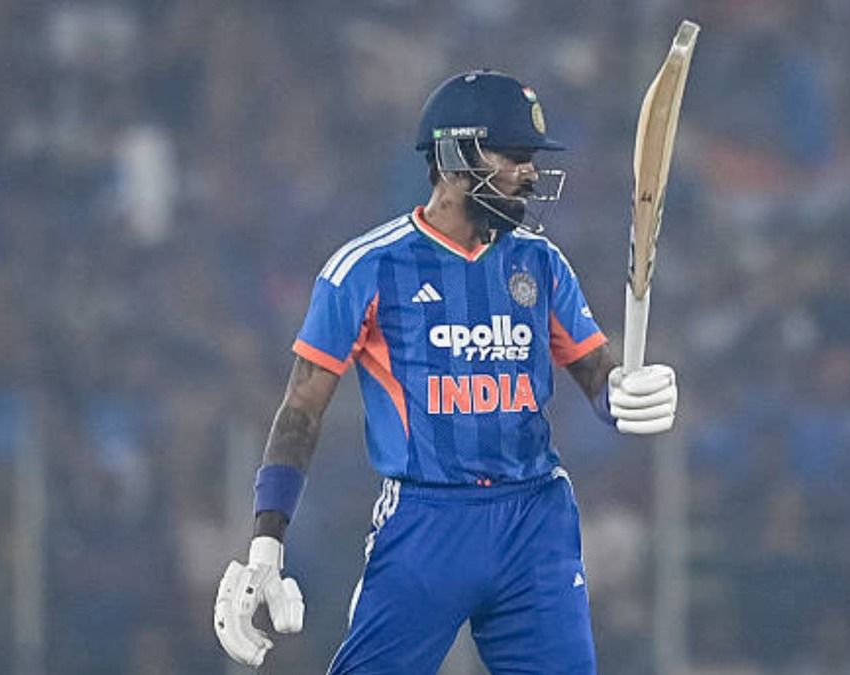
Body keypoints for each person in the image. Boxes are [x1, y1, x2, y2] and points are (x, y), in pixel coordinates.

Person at [214, 69, 679, 674]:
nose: (530, 173)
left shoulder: (540, 263)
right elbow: (300, 409)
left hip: (534, 519)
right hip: (427, 523)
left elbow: (597, 376)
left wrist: (624, 392)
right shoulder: (366, 269)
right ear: (457, 156)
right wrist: (267, 543)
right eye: (513, 156)